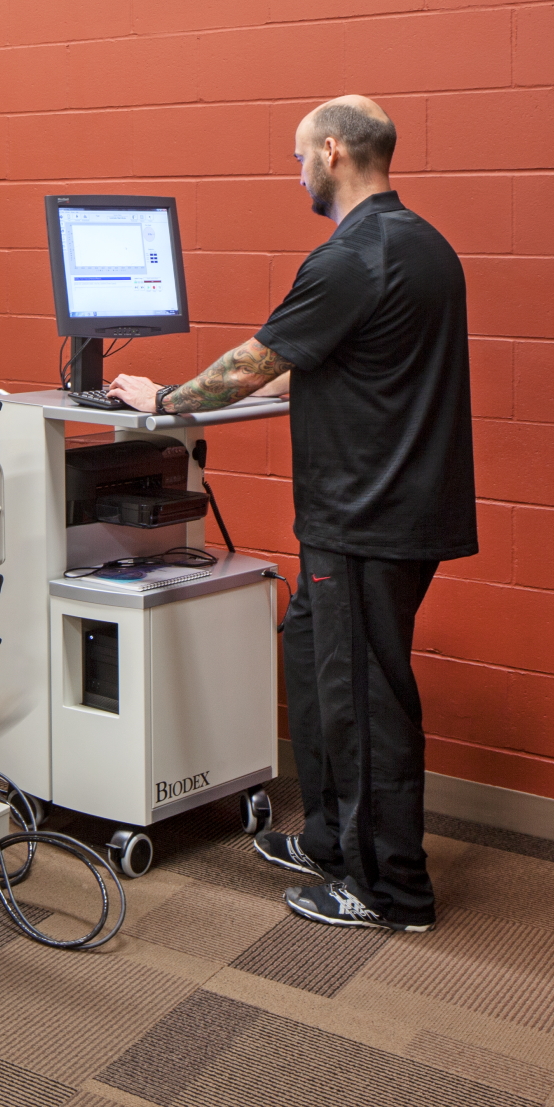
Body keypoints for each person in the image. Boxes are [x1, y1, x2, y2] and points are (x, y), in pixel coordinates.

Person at [110, 95, 475, 932]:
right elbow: (336, 361)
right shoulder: (420, 243)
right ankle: (328, 841)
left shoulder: (350, 254)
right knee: (313, 655)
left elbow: (253, 360)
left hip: (364, 517)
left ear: (335, 151)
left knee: (363, 699)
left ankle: (390, 890)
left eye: (298, 155)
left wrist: (160, 397)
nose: (295, 171)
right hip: (393, 508)